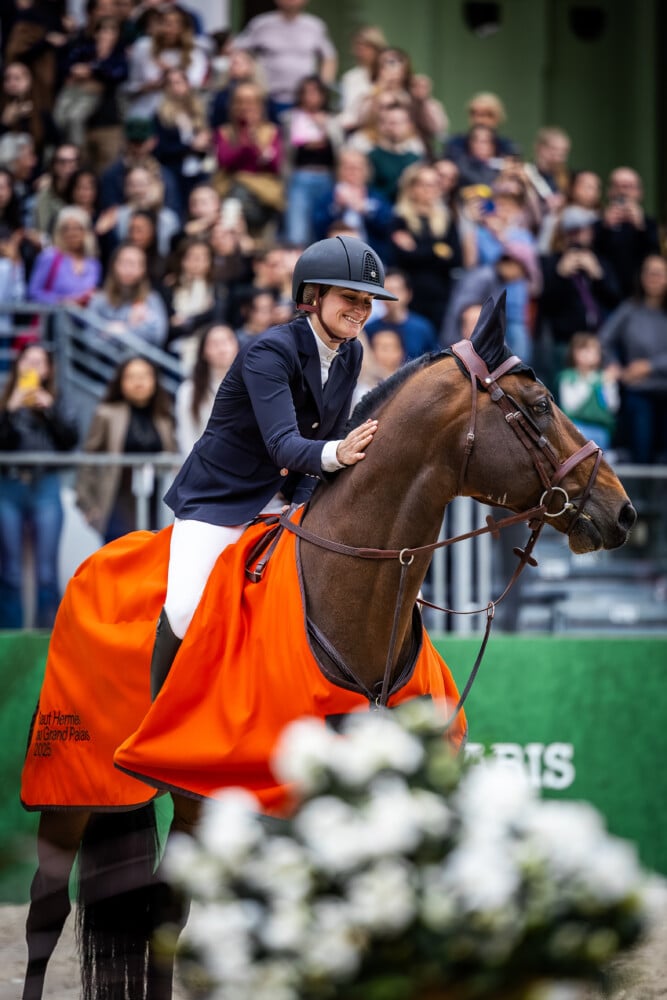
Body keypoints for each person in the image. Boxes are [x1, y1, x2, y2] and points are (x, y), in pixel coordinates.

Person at [148, 234, 397, 698]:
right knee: (183, 610)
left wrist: (306, 504)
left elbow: (327, 434)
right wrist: (339, 453)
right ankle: (156, 715)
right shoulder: (269, 351)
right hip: (220, 499)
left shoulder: (352, 353)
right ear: (313, 296)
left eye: (368, 302)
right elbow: (285, 445)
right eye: (350, 298)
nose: (361, 310)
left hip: (286, 497)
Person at [0, 342, 78, 628]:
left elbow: (70, 442)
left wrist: (50, 410)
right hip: (8, 485)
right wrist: (10, 410)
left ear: (48, 370)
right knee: (9, 572)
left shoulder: (57, 400)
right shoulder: (5, 399)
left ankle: (49, 640)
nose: (33, 366)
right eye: (27, 360)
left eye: (39, 362)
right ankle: (9, 643)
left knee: (46, 572)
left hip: (45, 485)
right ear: (18, 365)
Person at [76, 354, 177, 543]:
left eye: (144, 376)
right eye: (131, 376)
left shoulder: (164, 416)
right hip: (117, 499)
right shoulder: (106, 414)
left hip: (156, 500)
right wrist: (87, 504)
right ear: (121, 381)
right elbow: (89, 458)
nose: (138, 382)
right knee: (120, 553)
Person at [599, 254, 667, 464]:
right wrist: (614, 366)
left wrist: (650, 366)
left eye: (659, 273)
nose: (653, 277)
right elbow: (603, 341)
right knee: (640, 453)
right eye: (649, 272)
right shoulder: (629, 309)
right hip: (638, 391)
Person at [232, 0, 337, 123]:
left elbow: (329, 57)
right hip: (268, 98)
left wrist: (322, 88)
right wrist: (246, 74)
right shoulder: (261, 24)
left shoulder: (314, 26)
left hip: (303, 102)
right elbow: (237, 50)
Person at [282, 74, 342, 247]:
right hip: (300, 176)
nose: (311, 97)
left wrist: (325, 127)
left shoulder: (331, 120)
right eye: (306, 92)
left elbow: (339, 148)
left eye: (315, 92)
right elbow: (286, 152)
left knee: (322, 228)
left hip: (326, 176)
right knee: (297, 231)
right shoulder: (290, 118)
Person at [593, 166, 661, 301]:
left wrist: (641, 227)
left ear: (639, 192)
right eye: (617, 186)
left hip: (640, 298)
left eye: (628, 187)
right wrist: (604, 227)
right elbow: (593, 255)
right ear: (609, 191)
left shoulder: (650, 225)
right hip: (604, 297)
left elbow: (655, 257)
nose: (622, 192)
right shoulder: (597, 224)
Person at [174, 322, 239, 456]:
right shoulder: (189, 390)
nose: (222, 348)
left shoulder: (251, 386)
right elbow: (186, 435)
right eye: (215, 343)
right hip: (204, 462)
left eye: (227, 341)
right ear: (203, 351)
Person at [557, 332, 619, 450]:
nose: (587, 354)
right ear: (573, 353)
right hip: (576, 428)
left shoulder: (604, 378)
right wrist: (591, 382)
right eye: (583, 349)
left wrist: (610, 385)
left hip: (601, 429)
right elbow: (571, 406)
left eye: (592, 350)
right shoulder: (568, 377)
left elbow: (612, 407)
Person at [364, 268, 438, 360]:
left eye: (394, 290)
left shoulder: (422, 328)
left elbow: (434, 360)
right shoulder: (369, 329)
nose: (388, 297)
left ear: (408, 293)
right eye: (385, 291)